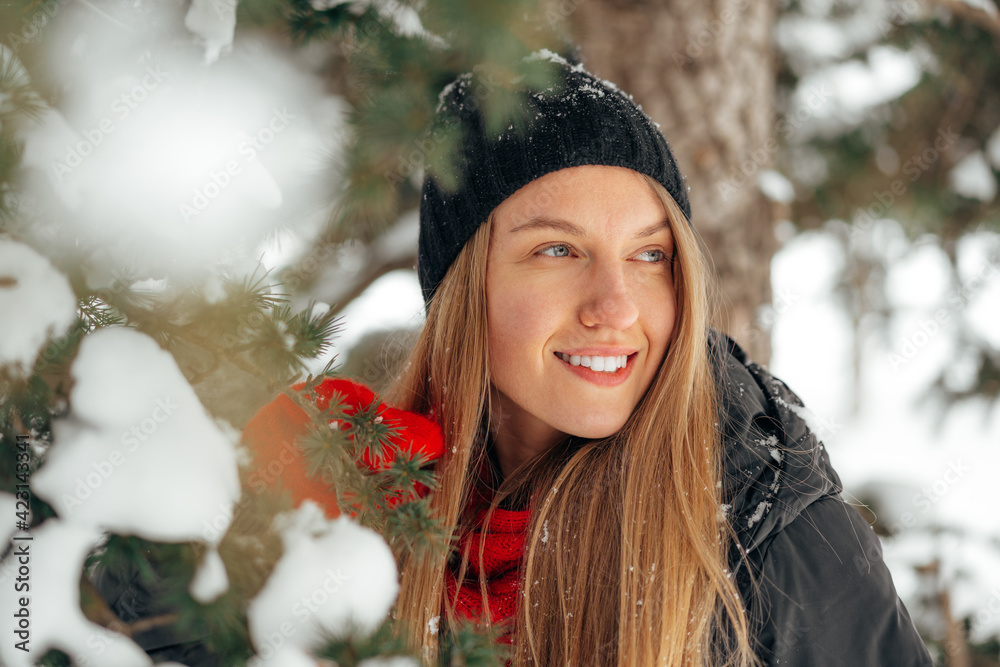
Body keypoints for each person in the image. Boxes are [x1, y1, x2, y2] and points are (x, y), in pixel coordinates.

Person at [100, 50, 934, 666]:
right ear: (465, 289)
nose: (616, 306)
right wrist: (241, 487)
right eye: (558, 251)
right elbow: (90, 617)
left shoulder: (757, 513)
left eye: (650, 256)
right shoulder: (368, 484)